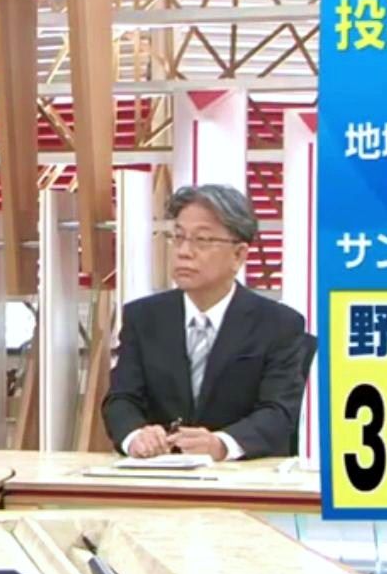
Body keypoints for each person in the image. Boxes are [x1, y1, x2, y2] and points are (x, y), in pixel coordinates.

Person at [101, 185, 309, 461]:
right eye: (178, 237)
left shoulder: (279, 325)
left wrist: (221, 444)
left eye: (202, 240)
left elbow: (279, 412)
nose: (184, 252)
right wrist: (135, 436)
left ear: (239, 255)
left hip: (243, 476)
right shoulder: (143, 318)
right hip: (160, 473)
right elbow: (121, 399)